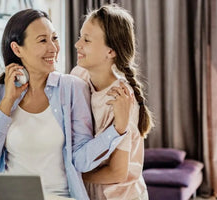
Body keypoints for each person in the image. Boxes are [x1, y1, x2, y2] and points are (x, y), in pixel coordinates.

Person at [0, 9, 130, 200]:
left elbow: (80, 161)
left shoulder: (73, 88)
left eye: (54, 38)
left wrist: (117, 130)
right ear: (17, 49)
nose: (53, 48)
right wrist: (7, 103)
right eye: (42, 40)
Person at [71, 4, 154, 200]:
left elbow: (117, 173)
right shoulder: (79, 75)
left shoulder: (121, 97)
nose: (77, 44)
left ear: (111, 52)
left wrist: (71, 175)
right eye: (80, 36)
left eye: (87, 40)